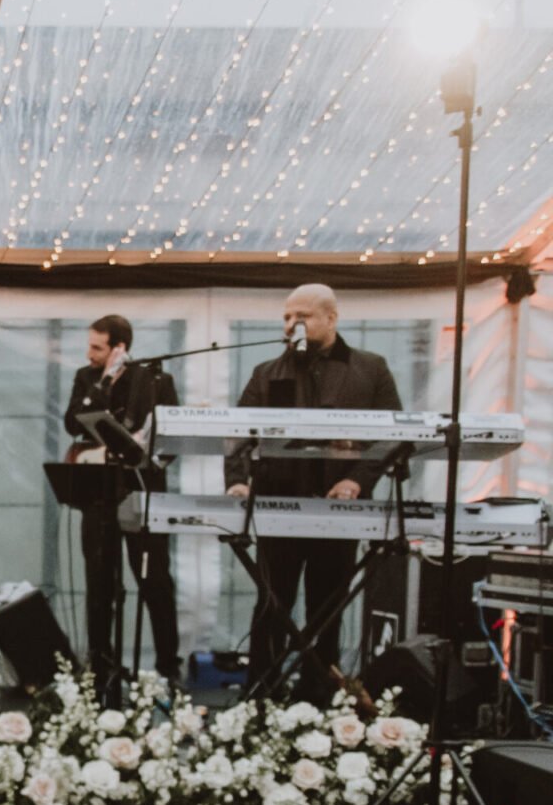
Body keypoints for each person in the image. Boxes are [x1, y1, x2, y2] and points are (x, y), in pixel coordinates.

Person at [225, 283, 402, 701]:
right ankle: (261, 697)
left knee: (328, 608)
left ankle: (319, 696)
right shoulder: (267, 372)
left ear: (330, 319)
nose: (291, 325)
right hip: (277, 506)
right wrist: (237, 478)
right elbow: (236, 433)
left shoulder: (370, 368)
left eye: (300, 317)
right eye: (286, 317)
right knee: (272, 606)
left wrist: (356, 479)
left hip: (337, 512)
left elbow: (392, 435)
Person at [66, 315, 182, 687]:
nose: (89, 353)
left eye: (97, 347)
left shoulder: (155, 381)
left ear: (120, 348)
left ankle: (168, 665)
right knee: (100, 584)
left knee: (156, 582)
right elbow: (73, 422)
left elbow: (172, 440)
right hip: (98, 495)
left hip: (141, 492)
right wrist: (102, 382)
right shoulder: (87, 379)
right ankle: (102, 665)